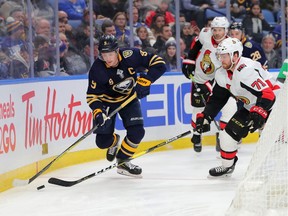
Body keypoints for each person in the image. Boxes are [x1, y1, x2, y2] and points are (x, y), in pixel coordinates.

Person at [195, 37, 279, 177]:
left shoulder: (245, 70)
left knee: (271, 142)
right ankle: (227, 166)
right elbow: (217, 99)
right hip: (251, 106)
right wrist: (206, 116)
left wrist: (260, 112)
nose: (221, 60)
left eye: (224, 56)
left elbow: (268, 94)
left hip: (272, 104)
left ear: (235, 55)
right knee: (227, 136)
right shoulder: (222, 74)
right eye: (220, 56)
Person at [86, 34, 166, 177]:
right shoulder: (97, 69)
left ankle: (123, 161)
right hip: (107, 102)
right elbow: (92, 96)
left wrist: (147, 80)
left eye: (110, 54)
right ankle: (114, 141)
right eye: (104, 55)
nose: (108, 58)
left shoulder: (131, 55)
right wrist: (98, 112)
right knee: (103, 142)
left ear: (117, 51)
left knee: (137, 132)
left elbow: (159, 64)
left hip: (129, 99)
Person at [182, 16, 237, 153]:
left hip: (220, 79)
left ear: (226, 30)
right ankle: (197, 134)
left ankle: (225, 138)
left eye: (220, 30)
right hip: (201, 76)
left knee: (229, 108)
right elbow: (195, 49)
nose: (217, 33)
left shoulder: (231, 44)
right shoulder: (205, 34)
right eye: (215, 30)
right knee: (198, 109)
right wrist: (189, 62)